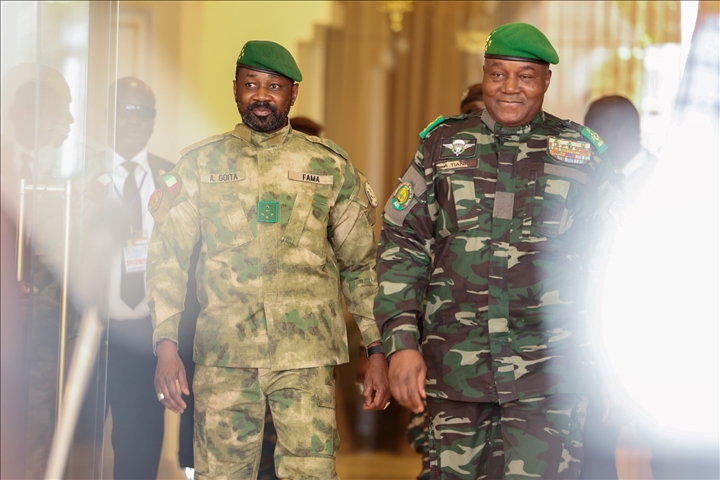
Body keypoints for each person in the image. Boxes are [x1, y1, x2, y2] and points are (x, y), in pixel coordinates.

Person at [375, 22, 622, 479]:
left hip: (550, 377)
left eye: (525, 76)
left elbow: (617, 262)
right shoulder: (442, 145)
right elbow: (401, 244)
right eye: (497, 74)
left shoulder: (581, 154)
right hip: (455, 373)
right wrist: (401, 343)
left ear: (546, 81)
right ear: (484, 75)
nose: (510, 88)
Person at [148, 40, 390, 479]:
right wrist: (165, 344)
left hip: (306, 360)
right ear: (235, 89)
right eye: (251, 85)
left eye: (274, 86)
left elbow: (360, 266)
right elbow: (168, 258)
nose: (261, 96)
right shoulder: (200, 164)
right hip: (224, 358)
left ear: (293, 93)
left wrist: (376, 349)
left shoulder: (329, 166)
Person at [98, 76, 199, 479]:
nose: (134, 119)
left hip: (147, 338)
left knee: (138, 455)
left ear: (154, 120)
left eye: (143, 111)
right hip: (89, 333)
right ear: (108, 115)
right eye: (125, 109)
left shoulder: (172, 177)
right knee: (76, 449)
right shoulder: (81, 175)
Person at [406, 85, 487, 480]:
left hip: (518, 362)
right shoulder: (439, 160)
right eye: (471, 112)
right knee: (438, 457)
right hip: (444, 348)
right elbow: (407, 257)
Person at [0, 63, 75, 479]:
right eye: (61, 111)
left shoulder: (63, 176)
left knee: (37, 436)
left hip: (44, 335)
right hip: (6, 329)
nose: (70, 121)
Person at [584, 95, 657, 203]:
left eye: (594, 131)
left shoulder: (661, 176)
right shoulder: (589, 175)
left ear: (621, 130)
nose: (586, 138)